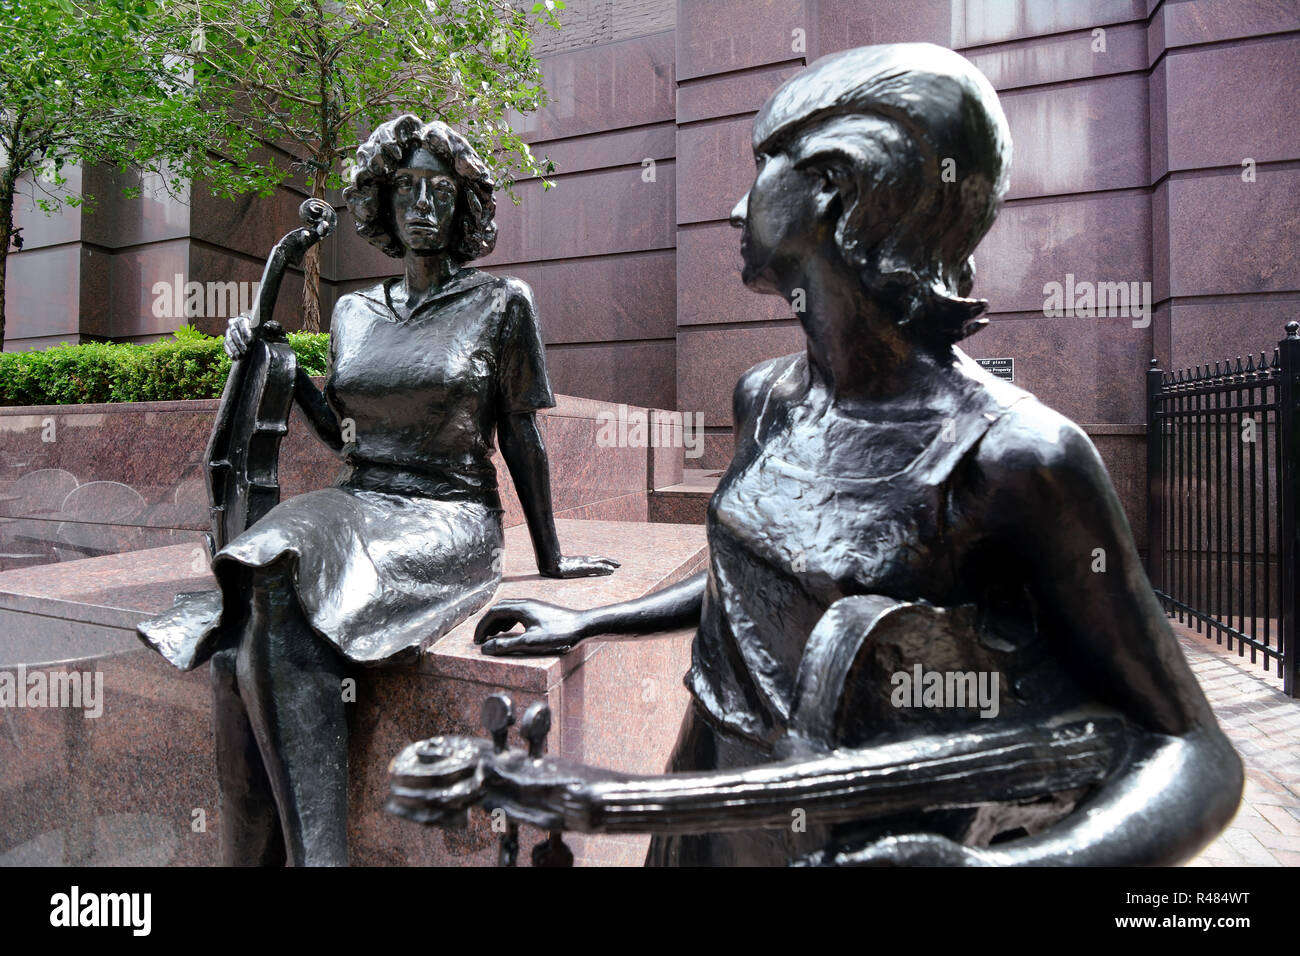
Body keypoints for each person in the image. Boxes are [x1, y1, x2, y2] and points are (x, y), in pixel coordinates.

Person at [470, 44, 1243, 866]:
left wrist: (1005, 869)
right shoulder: (764, 396)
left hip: (859, 837)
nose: (736, 208)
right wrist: (590, 620)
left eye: (766, 165)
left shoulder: (1016, 454)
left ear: (834, 184)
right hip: (705, 804)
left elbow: (1196, 754)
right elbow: (754, 580)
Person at [138, 115, 617, 866]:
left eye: (441, 192)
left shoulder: (502, 304)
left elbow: (521, 437)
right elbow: (344, 435)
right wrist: (279, 366)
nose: (423, 204)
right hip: (358, 499)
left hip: (448, 516)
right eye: (406, 190)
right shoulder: (354, 311)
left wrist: (551, 559)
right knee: (252, 593)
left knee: (274, 574)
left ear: (465, 211)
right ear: (384, 206)